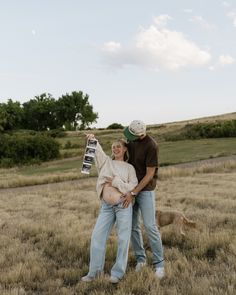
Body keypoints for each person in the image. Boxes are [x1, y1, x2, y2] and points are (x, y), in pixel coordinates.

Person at [81, 134, 138, 284]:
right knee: (97, 236)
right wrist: (92, 139)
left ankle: (117, 273)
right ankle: (94, 272)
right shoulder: (106, 162)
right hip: (106, 207)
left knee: (123, 239)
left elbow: (133, 186)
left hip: (123, 206)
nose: (115, 148)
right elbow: (97, 150)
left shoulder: (129, 168)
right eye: (113, 146)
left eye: (119, 146)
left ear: (125, 149)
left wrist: (117, 182)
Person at [123, 120, 165, 279]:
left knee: (150, 226)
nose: (129, 138)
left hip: (145, 190)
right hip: (131, 186)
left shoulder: (151, 146)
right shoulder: (131, 140)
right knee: (133, 225)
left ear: (140, 134)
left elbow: (149, 175)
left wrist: (134, 193)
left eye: (131, 135)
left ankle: (159, 264)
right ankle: (141, 259)